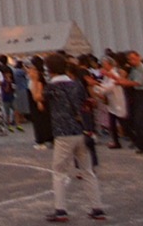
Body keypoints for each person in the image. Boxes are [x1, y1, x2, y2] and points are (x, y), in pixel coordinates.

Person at [43, 54, 105, 222]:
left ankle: (61, 209)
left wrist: (35, 81)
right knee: (87, 171)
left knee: (59, 172)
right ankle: (97, 207)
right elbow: (86, 102)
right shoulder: (76, 85)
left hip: (63, 132)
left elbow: (41, 103)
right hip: (81, 130)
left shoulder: (51, 87)